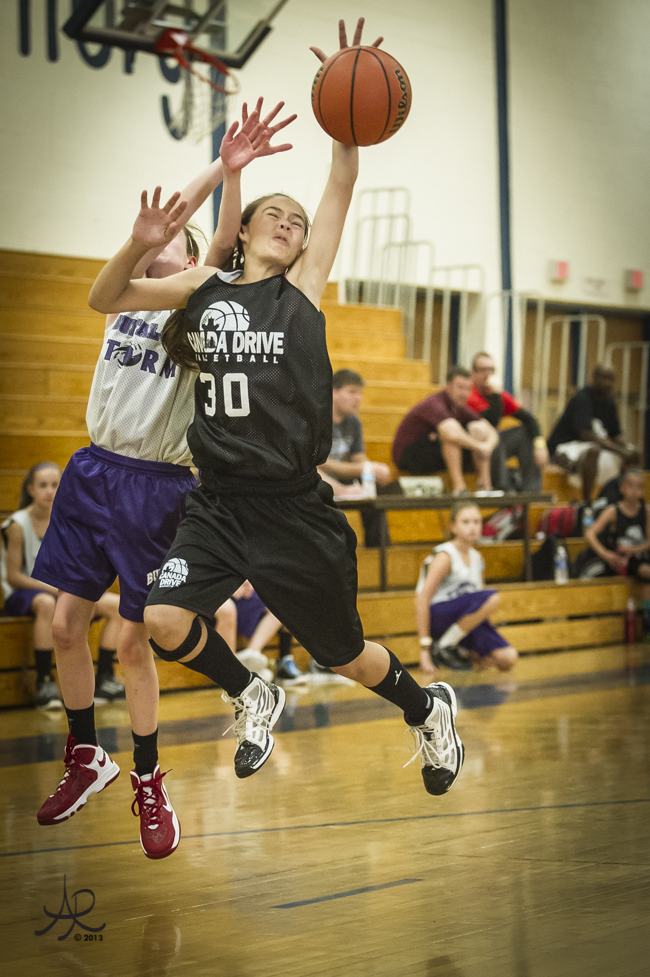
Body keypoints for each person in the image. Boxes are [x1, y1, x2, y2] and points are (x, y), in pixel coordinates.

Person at [88, 18, 464, 799]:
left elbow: (341, 186)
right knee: (160, 620)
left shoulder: (302, 290)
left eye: (298, 223)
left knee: (345, 655)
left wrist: (343, 119)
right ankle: (251, 690)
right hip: (218, 501)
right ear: (248, 229)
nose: (292, 225)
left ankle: (426, 706)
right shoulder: (202, 287)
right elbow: (108, 296)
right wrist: (136, 242)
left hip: (294, 508)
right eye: (277, 215)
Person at [32, 101, 296, 858]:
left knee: (134, 642)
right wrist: (140, 237)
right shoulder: (127, 295)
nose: (169, 242)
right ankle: (86, 754)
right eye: (159, 241)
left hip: (156, 484)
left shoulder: (196, 299)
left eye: (177, 242)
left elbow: (213, 238)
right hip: (92, 471)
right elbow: (107, 283)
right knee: (61, 625)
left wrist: (231, 173)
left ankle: (149, 775)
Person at [1, 463, 122, 709]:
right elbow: (13, 576)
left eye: (55, 485)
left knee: (117, 605)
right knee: (47, 604)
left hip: (62, 589)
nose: (49, 491)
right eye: (43, 485)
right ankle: (45, 682)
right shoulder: (17, 524)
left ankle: (104, 678)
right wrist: (55, 590)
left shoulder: (67, 520)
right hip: (24, 593)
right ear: (31, 489)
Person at [415, 501, 518, 673]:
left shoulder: (477, 558)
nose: (473, 527)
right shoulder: (445, 556)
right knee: (492, 597)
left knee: (508, 658)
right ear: (453, 527)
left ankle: (461, 652)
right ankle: (444, 647)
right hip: (440, 616)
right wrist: (424, 649)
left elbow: (478, 603)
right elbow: (421, 599)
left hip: (463, 621)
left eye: (477, 522)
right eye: (466, 522)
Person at [392, 366, 499, 494]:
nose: (464, 393)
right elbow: (452, 434)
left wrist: (487, 445)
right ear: (448, 386)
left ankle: (485, 488)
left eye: (467, 389)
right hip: (409, 455)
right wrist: (479, 446)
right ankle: (460, 488)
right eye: (460, 387)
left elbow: (490, 430)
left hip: (432, 451)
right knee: (450, 436)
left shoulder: (459, 407)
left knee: (478, 429)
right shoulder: (434, 403)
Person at [318, 368, 392, 546]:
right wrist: (344, 486)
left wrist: (372, 469)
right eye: (351, 392)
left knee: (375, 494)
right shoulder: (318, 418)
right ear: (334, 392)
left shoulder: (353, 421)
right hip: (319, 479)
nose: (357, 398)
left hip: (342, 479)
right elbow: (317, 464)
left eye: (360, 393)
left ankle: (379, 553)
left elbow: (358, 457)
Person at [548, 365, 640, 501]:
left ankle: (621, 499)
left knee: (633, 452)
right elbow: (586, 435)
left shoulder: (609, 402)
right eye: (604, 378)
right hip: (565, 448)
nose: (608, 383)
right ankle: (587, 502)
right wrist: (620, 451)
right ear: (594, 378)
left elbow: (615, 435)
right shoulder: (582, 398)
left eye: (611, 379)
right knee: (594, 451)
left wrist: (627, 450)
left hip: (593, 447)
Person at [579, 470, 650, 632]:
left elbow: (649, 543)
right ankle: (646, 624)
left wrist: (633, 549)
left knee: (647, 583)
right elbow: (589, 533)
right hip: (624, 560)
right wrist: (607, 554)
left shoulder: (646, 511)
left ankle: (646, 621)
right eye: (630, 485)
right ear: (622, 488)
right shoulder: (613, 510)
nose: (634, 490)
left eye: (639, 487)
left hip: (640, 554)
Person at [468, 351, 548, 491]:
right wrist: (497, 394)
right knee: (495, 436)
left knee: (526, 433)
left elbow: (529, 420)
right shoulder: (470, 394)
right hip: (474, 447)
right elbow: (491, 421)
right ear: (473, 373)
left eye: (491, 370)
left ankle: (531, 492)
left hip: (496, 446)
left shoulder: (499, 395)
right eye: (483, 370)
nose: (488, 374)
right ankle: (505, 490)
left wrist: (540, 445)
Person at [231, 581, 305, 685]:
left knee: (284, 603)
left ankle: (255, 656)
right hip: (230, 594)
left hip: (252, 588)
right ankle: (249, 661)